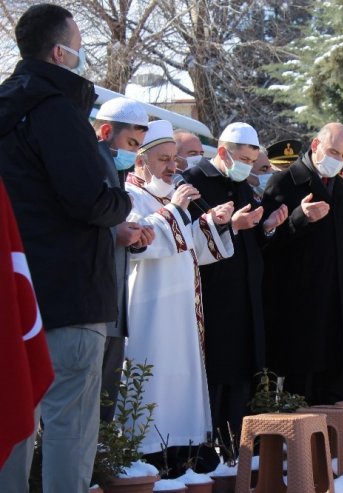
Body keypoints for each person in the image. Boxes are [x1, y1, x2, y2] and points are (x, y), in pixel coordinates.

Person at [0, 5, 132, 492]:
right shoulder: (56, 110)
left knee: (11, 422)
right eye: (80, 42)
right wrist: (122, 200)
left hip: (12, 294)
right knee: (68, 429)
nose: (83, 55)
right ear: (61, 52)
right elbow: (88, 199)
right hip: (68, 295)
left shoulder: (8, 108)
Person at [124, 120, 235, 458]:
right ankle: (148, 452)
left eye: (174, 159)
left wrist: (210, 223)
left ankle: (184, 451)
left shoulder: (169, 198)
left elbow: (190, 250)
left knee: (181, 379)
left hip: (182, 312)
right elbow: (138, 243)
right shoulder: (128, 195)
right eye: (163, 159)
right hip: (148, 312)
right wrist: (175, 209)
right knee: (152, 381)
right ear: (141, 160)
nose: (173, 167)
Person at [260, 122, 343, 405]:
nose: (338, 161)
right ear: (315, 146)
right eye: (333, 152)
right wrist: (299, 218)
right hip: (307, 303)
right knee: (311, 388)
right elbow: (267, 242)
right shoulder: (284, 182)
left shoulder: (340, 188)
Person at [182, 122, 287, 453]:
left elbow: (254, 241)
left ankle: (241, 449)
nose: (246, 166)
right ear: (224, 152)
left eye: (251, 159)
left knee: (244, 373)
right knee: (218, 375)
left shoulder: (241, 184)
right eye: (242, 158)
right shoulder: (194, 181)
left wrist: (266, 227)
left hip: (247, 298)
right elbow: (191, 240)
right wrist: (232, 227)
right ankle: (212, 448)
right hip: (215, 297)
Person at [92, 97, 155, 422]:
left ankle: (101, 463)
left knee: (105, 401)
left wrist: (134, 239)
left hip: (111, 306)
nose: (133, 153)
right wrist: (116, 235)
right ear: (105, 131)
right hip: (90, 306)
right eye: (131, 143)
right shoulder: (89, 163)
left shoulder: (116, 167)